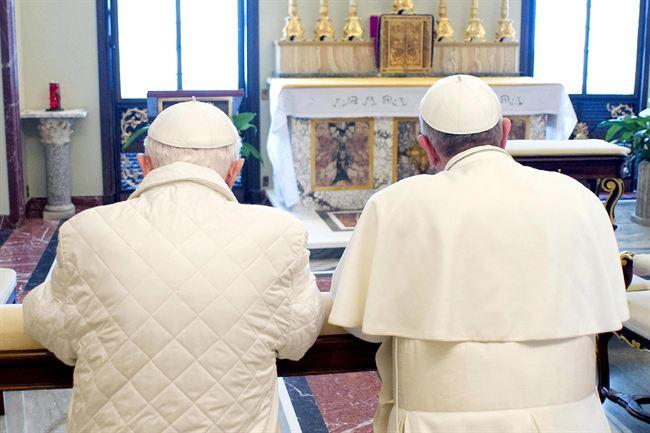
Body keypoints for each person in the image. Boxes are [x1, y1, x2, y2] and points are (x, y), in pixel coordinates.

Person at [328, 75, 629, 433]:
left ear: (427, 146)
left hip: (437, 419)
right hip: (569, 420)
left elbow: (358, 320)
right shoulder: (578, 198)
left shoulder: (396, 205)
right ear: (505, 132)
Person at [23, 100, 324, 433]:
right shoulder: (280, 234)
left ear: (144, 165)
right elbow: (298, 338)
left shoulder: (84, 231)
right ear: (234, 170)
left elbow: (56, 331)